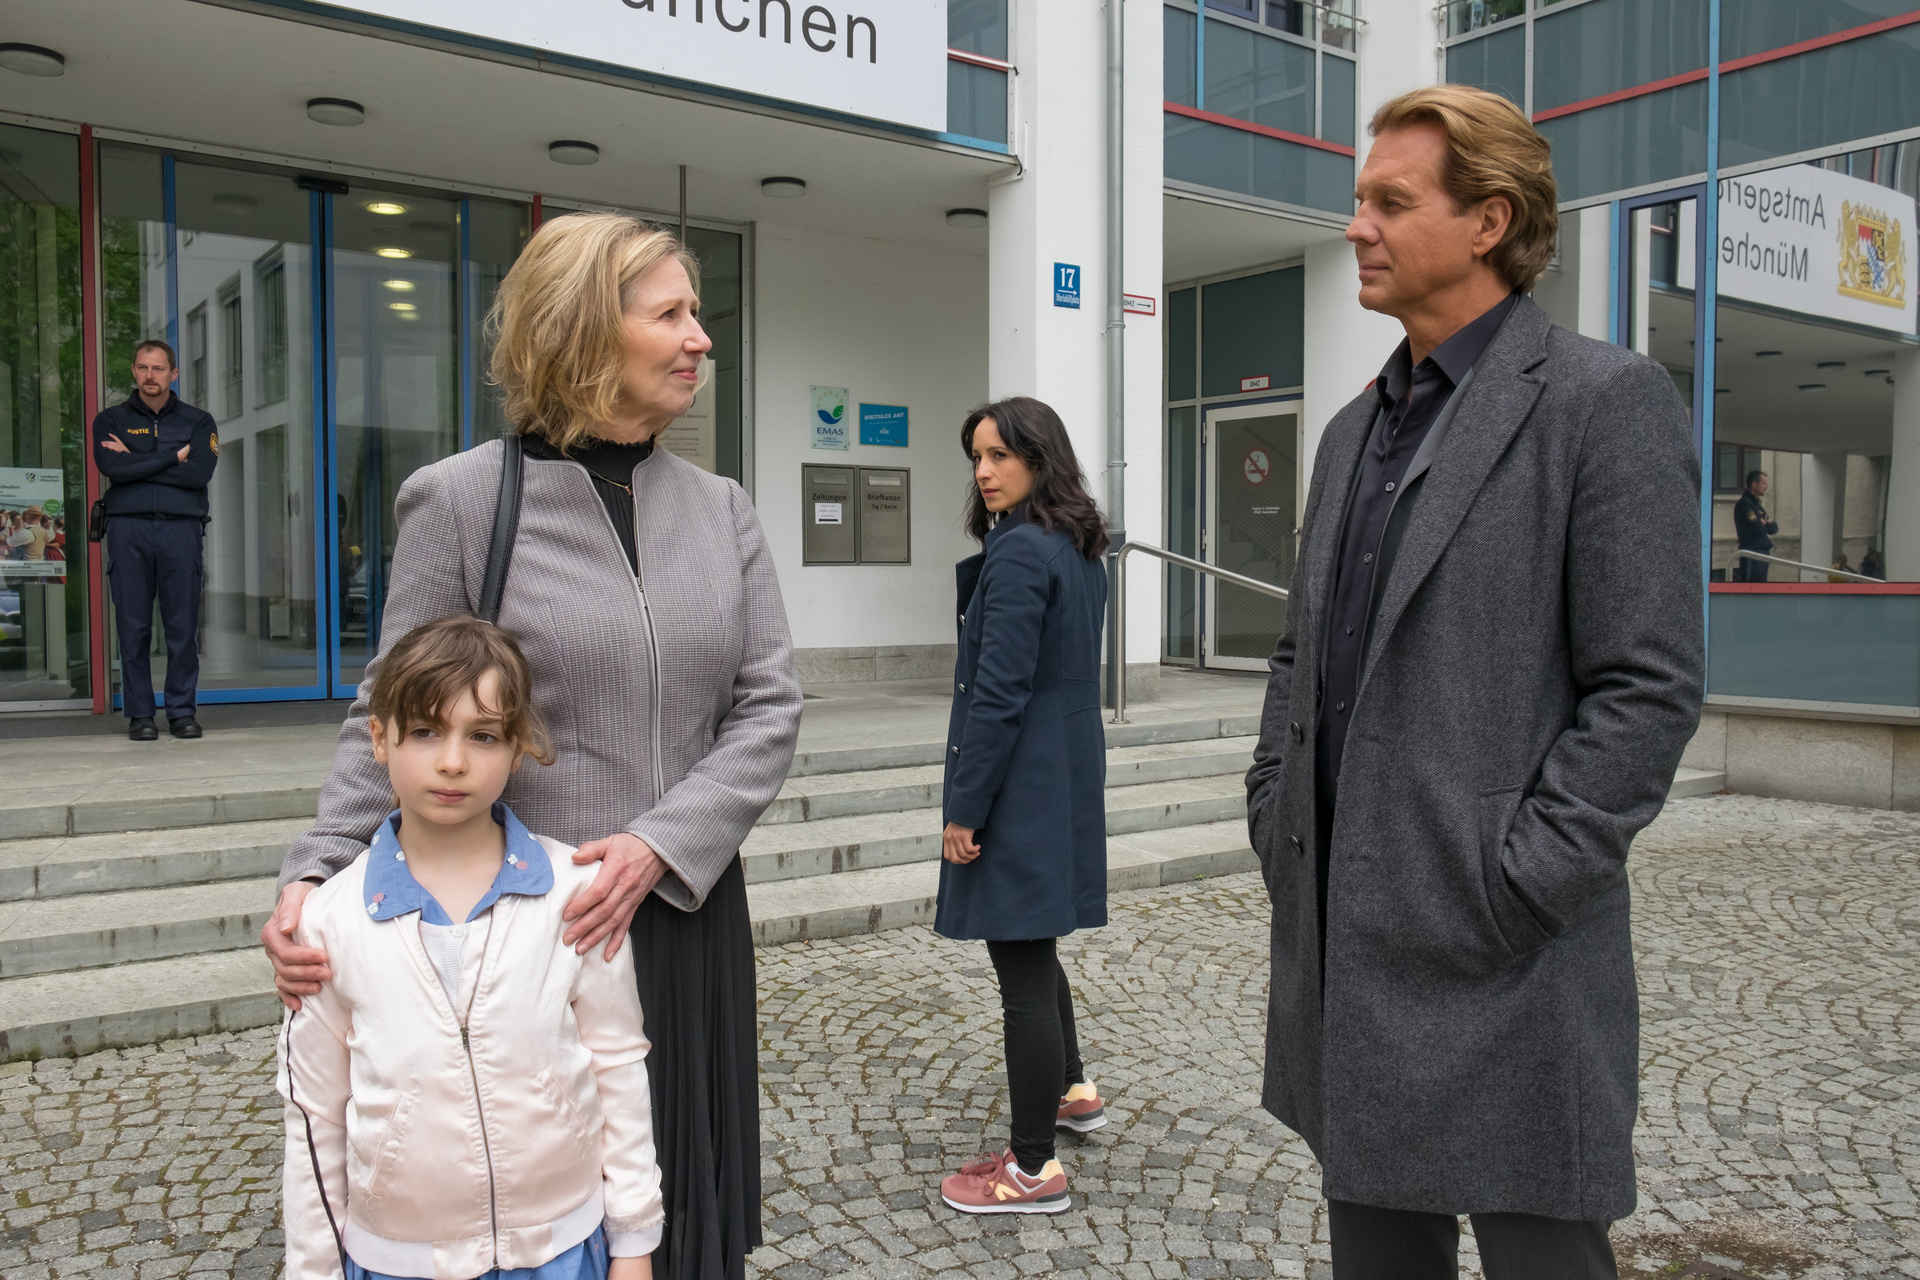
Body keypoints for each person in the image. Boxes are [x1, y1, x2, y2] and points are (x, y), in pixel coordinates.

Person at [263, 212, 802, 1280]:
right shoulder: (465, 500)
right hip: (535, 925)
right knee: (548, 1199)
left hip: (686, 905)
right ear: (584, 330)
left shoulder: (723, 509)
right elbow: (391, 703)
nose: (701, 337)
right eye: (671, 314)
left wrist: (660, 842)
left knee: (680, 1201)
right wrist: (317, 870)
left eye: (698, 313)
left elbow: (769, 704)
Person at [1243, 84, 1703, 1279]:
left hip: (1510, 957)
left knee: (1544, 1250)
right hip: (1349, 942)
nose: (1358, 226)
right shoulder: (1352, 431)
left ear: (1490, 220)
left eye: (1391, 202)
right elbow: (1302, 650)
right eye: (1360, 200)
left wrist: (1523, 878)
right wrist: (1275, 808)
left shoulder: (1603, 401)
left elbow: (1648, 684)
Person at [280, 614, 663, 1280]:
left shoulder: (575, 895)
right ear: (380, 739)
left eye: (482, 736)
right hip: (396, 1259)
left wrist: (634, 1240)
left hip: (562, 1249)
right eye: (426, 731)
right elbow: (314, 1117)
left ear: (517, 750)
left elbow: (618, 1064)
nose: (452, 761)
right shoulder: (328, 921)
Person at [934, 396, 1111, 1216]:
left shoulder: (1018, 555)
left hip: (1021, 786)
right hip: (1063, 777)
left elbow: (997, 695)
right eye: (977, 456)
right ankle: (1071, 1089)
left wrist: (965, 808)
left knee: (1023, 976)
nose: (984, 471)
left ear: (1040, 459)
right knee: (1036, 949)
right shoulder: (1077, 549)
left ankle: (1033, 1169)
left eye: (1000, 455)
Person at [91, 339, 219, 741]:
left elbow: (198, 474)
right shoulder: (110, 420)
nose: (150, 376)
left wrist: (136, 459)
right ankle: (141, 714)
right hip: (128, 528)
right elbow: (113, 468)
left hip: (181, 529)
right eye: (143, 368)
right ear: (134, 370)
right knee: (133, 626)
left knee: (182, 626)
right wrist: (171, 457)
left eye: (159, 369)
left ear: (173, 374)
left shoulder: (199, 421)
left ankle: (181, 712)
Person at [1734, 470, 1777, 582]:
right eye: (1763, 483)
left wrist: (1765, 523)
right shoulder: (1745, 504)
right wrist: (1765, 524)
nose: (1766, 487)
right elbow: (1759, 530)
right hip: (1752, 552)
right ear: (1754, 484)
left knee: (1761, 588)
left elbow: (1773, 529)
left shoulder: (1757, 506)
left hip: (1763, 552)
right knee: (1751, 587)